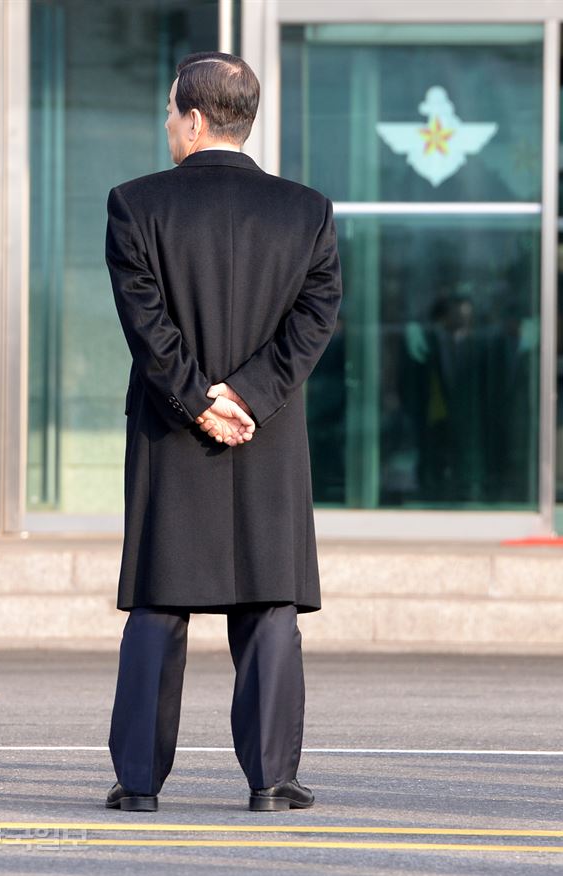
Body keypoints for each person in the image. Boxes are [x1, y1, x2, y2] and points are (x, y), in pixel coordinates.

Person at [104, 51, 342, 813]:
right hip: (264, 432)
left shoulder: (136, 204)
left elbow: (147, 326)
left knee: (158, 605)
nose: (168, 125)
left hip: (174, 433)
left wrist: (198, 400)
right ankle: (271, 782)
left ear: (196, 118)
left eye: (172, 112)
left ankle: (139, 784)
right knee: (269, 603)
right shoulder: (306, 210)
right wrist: (246, 395)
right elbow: (315, 323)